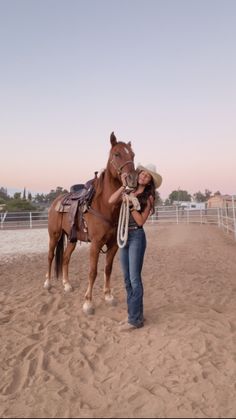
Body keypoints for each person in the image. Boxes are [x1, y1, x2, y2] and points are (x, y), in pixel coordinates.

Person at [108, 164, 162, 331]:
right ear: (138, 174)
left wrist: (131, 205)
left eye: (147, 177)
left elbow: (140, 221)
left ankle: (134, 320)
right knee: (127, 280)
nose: (143, 177)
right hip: (124, 235)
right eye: (143, 174)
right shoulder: (128, 191)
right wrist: (124, 188)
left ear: (150, 182)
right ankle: (134, 314)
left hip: (136, 236)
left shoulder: (149, 198)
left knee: (134, 279)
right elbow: (111, 200)